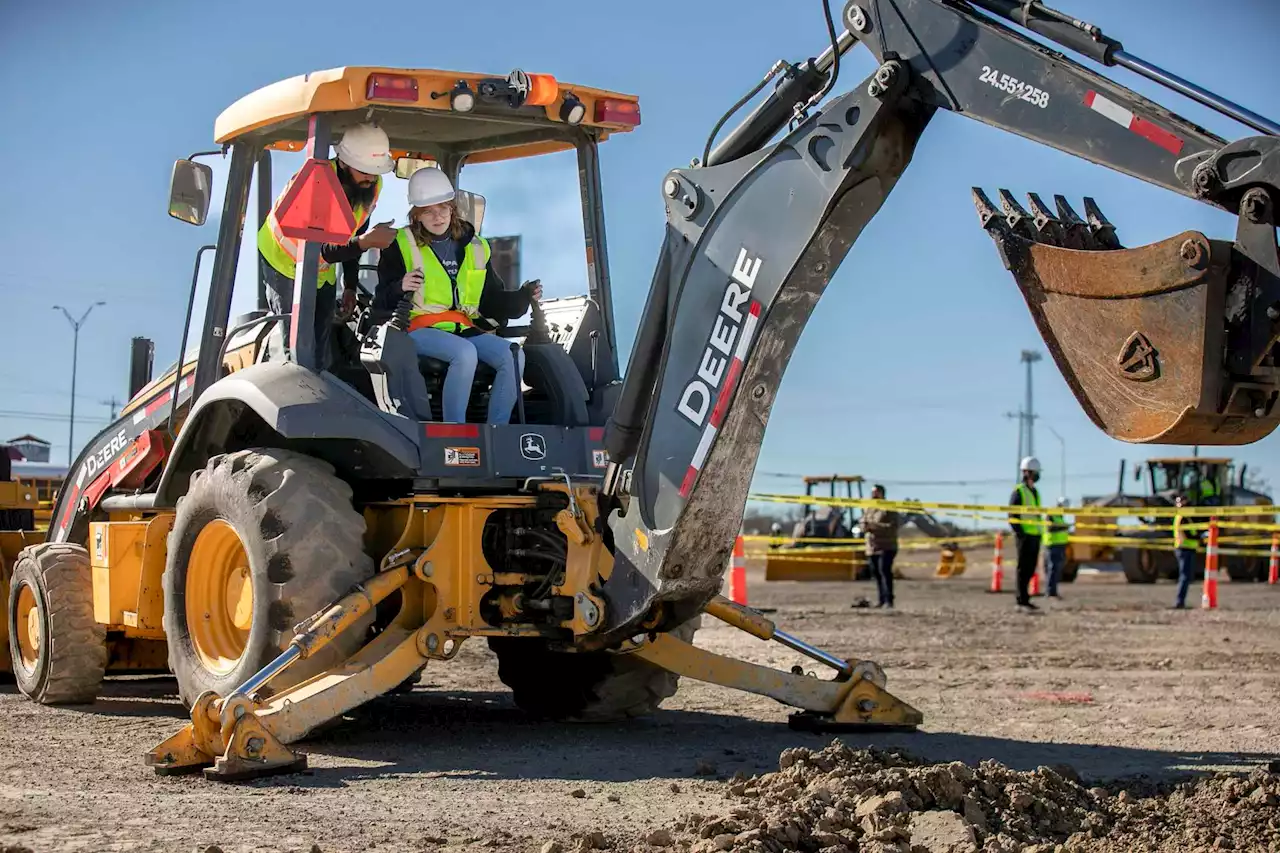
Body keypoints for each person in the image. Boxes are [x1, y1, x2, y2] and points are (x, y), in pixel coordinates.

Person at [374, 167, 541, 424]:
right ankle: (455, 433)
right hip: (416, 328)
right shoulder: (400, 245)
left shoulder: (476, 247)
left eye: (443, 208)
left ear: (452, 209)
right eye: (428, 210)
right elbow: (381, 299)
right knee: (463, 353)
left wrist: (523, 296)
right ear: (416, 215)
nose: (437, 216)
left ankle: (495, 431)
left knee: (513, 355)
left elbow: (491, 300)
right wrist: (401, 286)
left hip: (461, 328)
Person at [258, 122, 399, 369]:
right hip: (285, 263)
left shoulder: (371, 186)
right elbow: (321, 249)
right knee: (300, 346)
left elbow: (355, 232)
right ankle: (301, 394)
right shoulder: (317, 185)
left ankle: (321, 388)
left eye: (375, 171)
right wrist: (366, 243)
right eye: (364, 170)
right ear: (343, 163)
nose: (370, 176)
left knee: (323, 343)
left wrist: (351, 286)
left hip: (324, 268)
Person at [1008, 456, 1044, 611]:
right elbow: (1012, 516)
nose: (1037, 475)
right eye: (1035, 472)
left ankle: (1026, 599)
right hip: (1024, 536)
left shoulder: (1035, 492)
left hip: (1035, 535)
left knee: (1031, 568)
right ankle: (1021, 600)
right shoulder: (1019, 491)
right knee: (1023, 568)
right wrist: (1020, 533)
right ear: (1027, 472)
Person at [861, 484, 901, 609]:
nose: (874, 495)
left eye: (876, 492)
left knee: (884, 571)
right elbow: (863, 521)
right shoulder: (868, 508)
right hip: (872, 547)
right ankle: (881, 600)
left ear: (882, 493)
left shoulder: (889, 508)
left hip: (887, 545)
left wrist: (874, 527)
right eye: (872, 492)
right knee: (876, 573)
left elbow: (892, 526)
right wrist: (864, 527)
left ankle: (889, 600)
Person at [1171, 494, 1201, 609]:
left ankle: (1181, 601)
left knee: (1186, 577)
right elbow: (1185, 535)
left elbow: (1192, 532)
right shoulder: (1182, 517)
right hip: (1185, 549)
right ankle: (1180, 602)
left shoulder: (1186, 517)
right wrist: (1197, 539)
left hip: (1188, 548)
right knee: (1184, 577)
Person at [1044, 497, 1071, 599]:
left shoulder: (1059, 515)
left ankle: (1053, 591)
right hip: (1053, 544)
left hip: (1059, 545)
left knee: (1056, 569)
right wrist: (1064, 527)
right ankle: (1050, 592)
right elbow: (1050, 527)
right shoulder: (1051, 514)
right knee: (1053, 568)